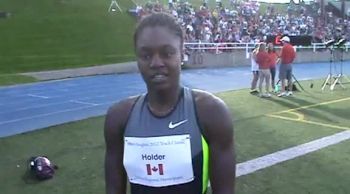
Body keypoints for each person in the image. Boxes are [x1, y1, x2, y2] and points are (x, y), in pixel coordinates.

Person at [104, 13, 235, 194]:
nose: (156, 63)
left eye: (167, 53)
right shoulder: (119, 117)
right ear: (137, 58)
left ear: (182, 53)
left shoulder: (211, 113)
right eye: (146, 55)